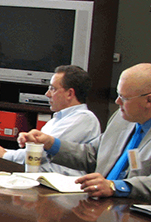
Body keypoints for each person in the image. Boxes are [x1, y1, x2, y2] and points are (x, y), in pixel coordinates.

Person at [17, 63, 151, 201]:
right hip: (98, 204)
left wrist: (115, 187)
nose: (117, 102)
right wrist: (50, 143)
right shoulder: (121, 119)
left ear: (149, 100)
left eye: (124, 98)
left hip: (132, 212)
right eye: (118, 95)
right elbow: (92, 154)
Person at [0, 65, 101, 176]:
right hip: (42, 176)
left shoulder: (84, 119)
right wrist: (5, 152)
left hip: (60, 184)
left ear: (70, 93)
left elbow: (39, 153)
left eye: (53, 89)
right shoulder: (56, 120)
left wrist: (5, 155)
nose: (47, 94)